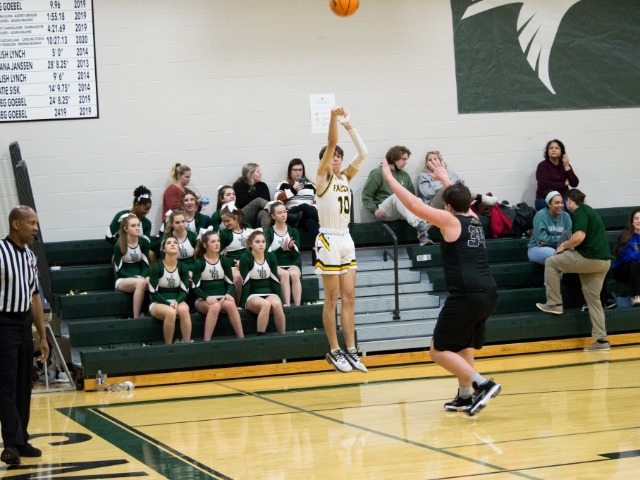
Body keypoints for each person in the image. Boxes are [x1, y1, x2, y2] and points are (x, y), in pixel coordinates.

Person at [382, 157, 501, 416]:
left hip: (466, 295)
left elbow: (414, 205)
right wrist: (445, 178)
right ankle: (465, 396)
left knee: (437, 350)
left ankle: (483, 384)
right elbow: (461, 198)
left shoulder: (451, 221)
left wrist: (390, 179)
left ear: (448, 206)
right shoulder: (474, 219)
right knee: (462, 344)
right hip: (488, 292)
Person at [315, 106, 368, 373]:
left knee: (349, 297)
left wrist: (350, 126)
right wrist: (333, 118)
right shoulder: (322, 177)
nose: (335, 159)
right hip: (328, 239)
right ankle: (334, 349)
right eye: (332, 156)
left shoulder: (346, 177)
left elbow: (364, 153)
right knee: (331, 298)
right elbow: (331, 140)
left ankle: (351, 350)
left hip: (346, 238)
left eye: (338, 156)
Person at [1, 206, 50, 465]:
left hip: (23, 324)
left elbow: (35, 298)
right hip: (3, 322)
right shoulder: (0, 252)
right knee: (7, 384)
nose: (35, 229)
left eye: (36, 223)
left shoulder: (30, 256)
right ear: (15, 224)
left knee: (24, 383)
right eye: (31, 223)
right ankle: (10, 443)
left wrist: (42, 336)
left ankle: (21, 440)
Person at [536, 189, 612, 351]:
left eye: (565, 201)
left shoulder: (580, 211)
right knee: (594, 300)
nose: (564, 205)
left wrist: (563, 245)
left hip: (590, 258)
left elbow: (579, 237)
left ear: (570, 200)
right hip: (604, 262)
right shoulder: (590, 210)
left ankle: (554, 303)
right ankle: (601, 340)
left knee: (551, 262)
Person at [362, 145, 431, 245]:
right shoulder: (377, 173)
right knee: (398, 195)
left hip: (401, 211)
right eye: (403, 159)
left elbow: (411, 197)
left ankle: (423, 236)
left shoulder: (405, 175)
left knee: (417, 200)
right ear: (394, 158)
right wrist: (374, 210)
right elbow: (366, 195)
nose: (406, 162)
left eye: (406, 159)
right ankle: (420, 225)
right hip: (384, 211)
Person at [192, 230, 244, 340]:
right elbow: (195, 288)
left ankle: (241, 338)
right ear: (205, 245)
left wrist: (228, 293)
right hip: (203, 300)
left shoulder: (224, 260)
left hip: (221, 297)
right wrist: (206, 297)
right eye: (213, 241)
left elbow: (230, 283)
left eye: (218, 241)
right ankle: (207, 341)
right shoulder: (199, 263)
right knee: (214, 306)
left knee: (231, 303)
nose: (217, 244)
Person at [418, 151, 498, 214]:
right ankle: (481, 198)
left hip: (452, 201)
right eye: (430, 160)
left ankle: (483, 199)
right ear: (426, 163)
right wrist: (443, 181)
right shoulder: (423, 175)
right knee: (447, 188)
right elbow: (428, 193)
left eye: (435, 159)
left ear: (440, 160)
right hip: (434, 205)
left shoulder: (449, 172)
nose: (433, 161)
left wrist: (450, 184)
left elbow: (462, 184)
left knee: (462, 189)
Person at [239, 230, 286, 334]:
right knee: (265, 304)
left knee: (277, 304)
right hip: (252, 294)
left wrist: (281, 300)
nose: (261, 244)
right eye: (257, 242)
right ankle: (261, 337)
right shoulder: (246, 257)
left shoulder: (270, 256)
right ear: (250, 244)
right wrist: (243, 304)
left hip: (269, 292)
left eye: (263, 241)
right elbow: (245, 282)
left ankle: (283, 336)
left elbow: (275, 279)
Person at [148, 236, 192, 344]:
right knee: (171, 312)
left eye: (175, 242)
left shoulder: (183, 267)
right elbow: (153, 293)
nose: (172, 244)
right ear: (163, 249)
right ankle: (168, 345)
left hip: (177, 300)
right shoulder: (156, 267)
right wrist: (168, 303)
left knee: (184, 310)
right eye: (168, 243)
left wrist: (176, 302)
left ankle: (187, 343)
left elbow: (185, 291)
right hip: (158, 302)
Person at [112, 214, 150, 318]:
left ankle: (151, 313)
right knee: (140, 283)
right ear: (126, 229)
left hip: (140, 277)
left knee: (153, 280)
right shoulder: (119, 245)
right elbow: (119, 270)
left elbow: (146, 265)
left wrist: (143, 276)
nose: (137, 228)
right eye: (133, 226)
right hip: (123, 279)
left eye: (138, 225)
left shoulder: (144, 242)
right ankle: (136, 317)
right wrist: (136, 278)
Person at [265, 201, 302, 307]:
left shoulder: (293, 231)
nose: (283, 215)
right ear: (273, 216)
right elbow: (268, 257)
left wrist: (291, 248)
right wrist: (281, 248)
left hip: (291, 263)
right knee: (285, 275)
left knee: (294, 274)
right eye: (279, 213)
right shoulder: (268, 233)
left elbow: (296, 256)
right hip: (276, 264)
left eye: (285, 212)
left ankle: (298, 306)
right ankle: (287, 305)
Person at [274, 158, 319, 239]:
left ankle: (315, 246)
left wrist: (312, 208)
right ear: (290, 171)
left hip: (307, 214)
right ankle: (324, 220)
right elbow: (277, 199)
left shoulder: (311, 185)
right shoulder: (283, 184)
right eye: (295, 170)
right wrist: (293, 190)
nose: (298, 172)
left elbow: (317, 201)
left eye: (300, 170)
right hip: (291, 214)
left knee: (312, 222)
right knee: (304, 206)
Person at [219, 203, 254, 304]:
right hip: (232, 265)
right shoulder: (225, 234)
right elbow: (216, 252)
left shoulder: (247, 228)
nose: (225, 224)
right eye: (223, 221)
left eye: (228, 221)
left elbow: (253, 247)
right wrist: (223, 253)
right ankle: (238, 305)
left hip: (247, 261)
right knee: (237, 278)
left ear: (236, 217)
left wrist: (245, 262)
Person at [527, 190, 572, 265]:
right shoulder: (541, 215)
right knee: (559, 256)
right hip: (536, 248)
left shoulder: (566, 216)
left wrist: (550, 242)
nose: (560, 205)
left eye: (561, 202)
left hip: (559, 247)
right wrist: (561, 239)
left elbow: (569, 237)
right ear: (549, 204)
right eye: (557, 203)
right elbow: (541, 239)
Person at [534, 139, 579, 211]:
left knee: (578, 207)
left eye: (557, 148)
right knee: (561, 207)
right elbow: (544, 184)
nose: (554, 150)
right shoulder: (542, 166)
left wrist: (567, 166)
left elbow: (574, 183)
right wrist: (564, 184)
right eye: (551, 148)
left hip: (563, 198)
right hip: (544, 199)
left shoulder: (565, 165)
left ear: (562, 152)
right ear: (547, 152)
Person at [611, 208, 640, 307]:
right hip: (622, 271)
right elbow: (627, 257)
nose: (639, 221)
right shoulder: (626, 235)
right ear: (632, 221)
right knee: (634, 264)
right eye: (636, 218)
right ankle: (637, 297)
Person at [233, 163, 271, 230]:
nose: (261, 173)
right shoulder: (239, 185)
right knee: (258, 200)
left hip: (258, 217)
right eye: (258, 172)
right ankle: (276, 208)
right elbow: (242, 203)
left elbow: (267, 201)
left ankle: (266, 236)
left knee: (264, 212)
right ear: (250, 174)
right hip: (243, 216)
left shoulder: (263, 186)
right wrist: (256, 202)